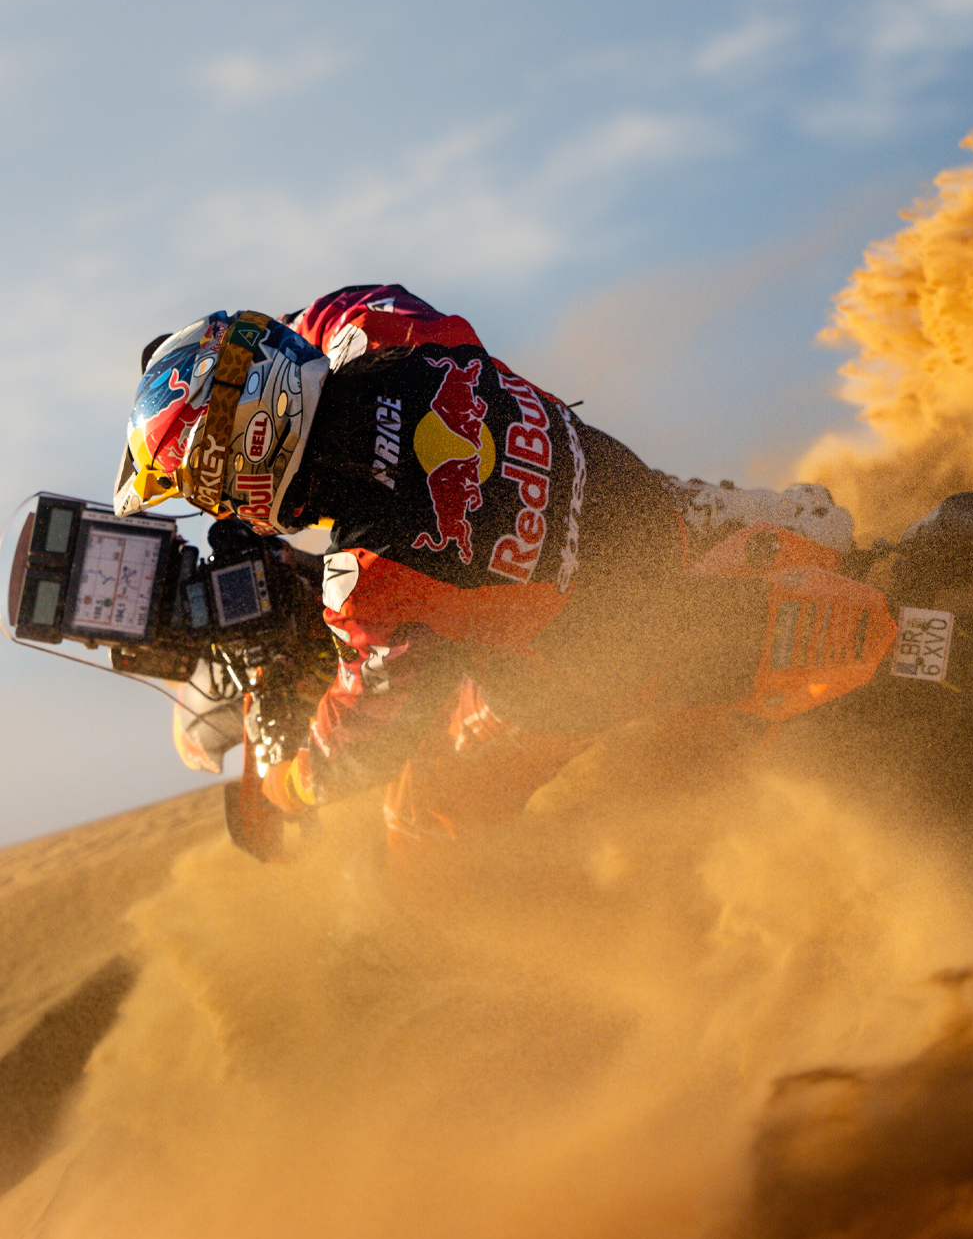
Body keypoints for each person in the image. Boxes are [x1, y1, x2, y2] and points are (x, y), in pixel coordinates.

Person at [116, 286, 853, 847]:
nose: (219, 510)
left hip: (597, 668)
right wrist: (223, 369)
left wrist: (287, 789)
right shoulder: (384, 325)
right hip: (650, 509)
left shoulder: (368, 580)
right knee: (823, 528)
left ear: (242, 470)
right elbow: (310, 326)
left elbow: (370, 731)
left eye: (205, 489)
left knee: (420, 821)